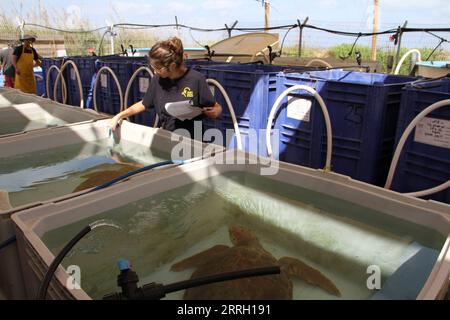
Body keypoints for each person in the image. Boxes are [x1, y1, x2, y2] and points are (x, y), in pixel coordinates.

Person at [110, 37, 222, 141]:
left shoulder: (196, 79)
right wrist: (119, 116)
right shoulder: (157, 80)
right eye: (153, 68)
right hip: (168, 137)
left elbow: (215, 106)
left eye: (158, 68)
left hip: (193, 141)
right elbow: (144, 103)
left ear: (172, 66)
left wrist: (216, 111)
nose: (154, 71)